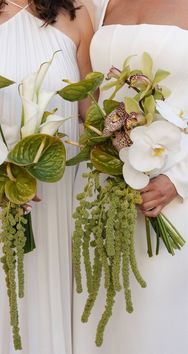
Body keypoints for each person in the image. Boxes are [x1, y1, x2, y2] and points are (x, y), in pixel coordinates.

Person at [0, 1, 93, 353]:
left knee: (46, 299)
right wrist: (2, 178)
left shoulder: (76, 14)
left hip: (54, 198)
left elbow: (90, 116)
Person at [73, 1, 188, 354]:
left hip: (168, 192)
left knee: (155, 324)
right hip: (102, 187)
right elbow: (90, 95)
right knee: (97, 318)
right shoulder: (100, 3)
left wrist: (178, 179)